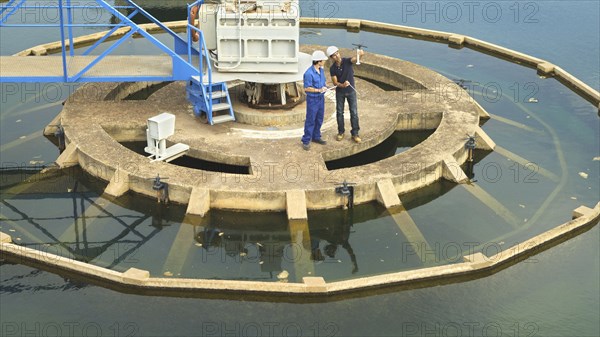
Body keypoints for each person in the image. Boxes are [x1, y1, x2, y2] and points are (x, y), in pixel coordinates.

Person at [327, 46, 364, 143]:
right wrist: (342, 85)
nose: (337, 56)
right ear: (331, 58)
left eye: (337, 53)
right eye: (334, 55)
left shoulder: (347, 61)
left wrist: (360, 54)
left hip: (351, 92)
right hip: (340, 93)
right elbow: (335, 83)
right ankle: (341, 132)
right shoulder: (332, 68)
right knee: (339, 113)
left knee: (354, 113)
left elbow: (355, 59)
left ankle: (355, 134)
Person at [301, 50, 329, 151]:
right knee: (310, 119)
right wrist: (318, 90)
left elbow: (323, 82)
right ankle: (306, 140)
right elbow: (306, 88)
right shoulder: (309, 73)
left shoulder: (321, 70)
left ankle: (316, 136)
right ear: (319, 61)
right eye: (323, 60)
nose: (325, 61)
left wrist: (326, 87)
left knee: (319, 118)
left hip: (320, 98)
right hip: (313, 99)